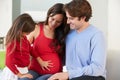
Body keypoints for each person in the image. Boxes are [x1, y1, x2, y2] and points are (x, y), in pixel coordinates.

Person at [48, 0, 107, 80]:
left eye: (71, 18)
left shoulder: (97, 35)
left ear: (83, 18)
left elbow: (97, 68)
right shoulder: (69, 34)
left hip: (93, 76)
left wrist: (69, 74)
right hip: (73, 76)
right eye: (67, 18)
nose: (68, 22)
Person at [19, 3, 68, 80]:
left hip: (52, 74)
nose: (54, 23)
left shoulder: (62, 34)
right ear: (49, 15)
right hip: (34, 70)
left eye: (58, 22)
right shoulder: (37, 28)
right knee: (24, 79)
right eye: (52, 19)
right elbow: (24, 47)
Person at [1, 13, 36, 80]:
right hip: (14, 72)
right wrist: (20, 75)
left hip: (23, 70)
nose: (28, 34)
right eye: (27, 32)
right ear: (20, 30)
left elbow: (30, 49)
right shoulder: (12, 41)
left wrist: (38, 58)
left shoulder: (23, 38)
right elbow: (8, 62)